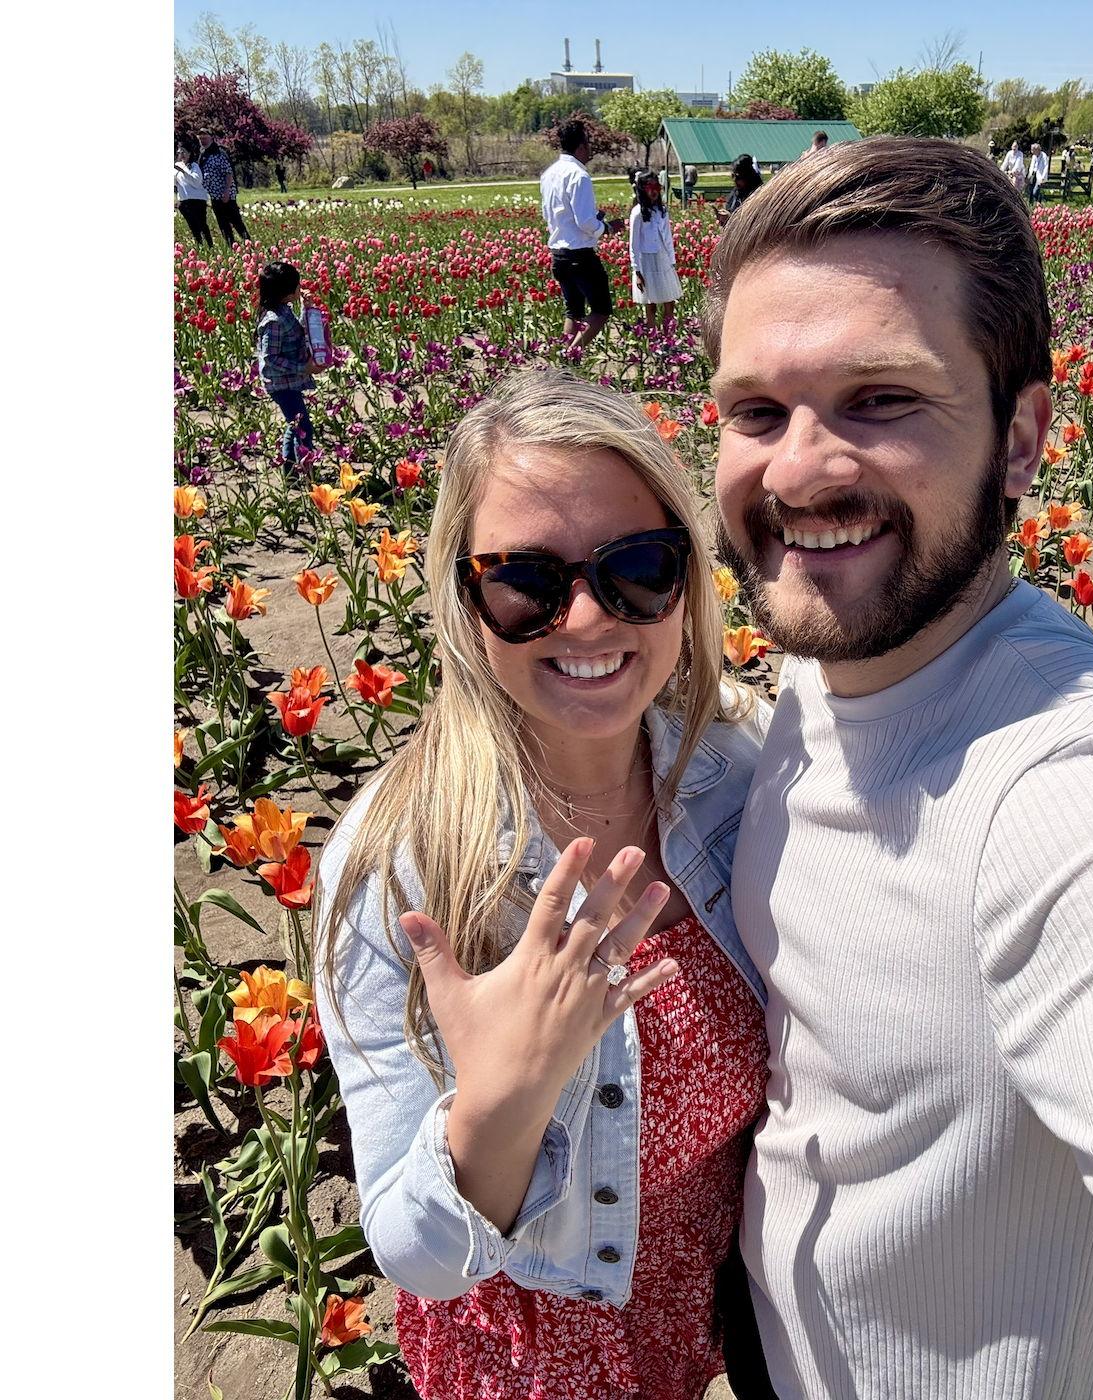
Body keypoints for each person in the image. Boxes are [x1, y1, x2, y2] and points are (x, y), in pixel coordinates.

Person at [704, 135, 1093, 1400]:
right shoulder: (833, 661)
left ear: (1023, 436)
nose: (798, 468)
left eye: (882, 398)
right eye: (756, 410)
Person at [314, 368, 777, 1400]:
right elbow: (412, 1247)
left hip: (711, 1295)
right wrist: (503, 1100)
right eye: (525, 579)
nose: (583, 618)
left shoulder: (737, 767)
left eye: (639, 567)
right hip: (532, 1357)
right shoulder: (402, 864)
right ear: (461, 596)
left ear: (689, 579)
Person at [540, 119, 627, 354]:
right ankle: (571, 355)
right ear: (580, 147)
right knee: (601, 310)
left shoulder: (549, 174)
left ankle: (563, 359)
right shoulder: (579, 175)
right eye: (588, 144)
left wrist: (594, 220)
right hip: (580, 254)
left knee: (574, 311)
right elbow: (585, 222)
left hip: (558, 254)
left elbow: (551, 214)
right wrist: (607, 227)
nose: (590, 150)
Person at [254, 261, 324, 469]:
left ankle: (290, 469)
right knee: (303, 427)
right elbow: (270, 358)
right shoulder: (273, 321)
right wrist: (304, 368)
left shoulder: (284, 310)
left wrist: (306, 309)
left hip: (288, 381)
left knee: (294, 425)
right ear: (287, 292)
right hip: (281, 384)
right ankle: (304, 469)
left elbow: (296, 331)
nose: (300, 288)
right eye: (297, 285)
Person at [629, 171, 682, 330]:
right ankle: (653, 336)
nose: (653, 191)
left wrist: (672, 261)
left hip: (663, 258)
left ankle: (669, 335)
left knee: (669, 298)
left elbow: (667, 237)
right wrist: (636, 270)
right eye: (649, 187)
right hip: (646, 260)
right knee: (650, 302)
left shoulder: (662, 211)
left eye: (656, 186)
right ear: (642, 189)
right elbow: (634, 243)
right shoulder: (638, 213)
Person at [196, 129, 250, 245]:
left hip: (226, 194)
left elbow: (228, 173)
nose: (203, 141)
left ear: (211, 138)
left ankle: (248, 243)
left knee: (236, 221)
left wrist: (226, 191)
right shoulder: (203, 154)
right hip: (214, 196)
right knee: (223, 224)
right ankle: (231, 246)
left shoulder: (219, 153)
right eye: (200, 139)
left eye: (205, 138)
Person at [174, 142, 212, 248]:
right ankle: (199, 245)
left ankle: (210, 245)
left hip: (197, 200)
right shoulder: (176, 166)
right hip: (184, 201)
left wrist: (184, 172)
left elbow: (196, 182)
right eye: (180, 152)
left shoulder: (194, 166)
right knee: (192, 226)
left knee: (202, 224)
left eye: (184, 152)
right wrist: (177, 171)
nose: (182, 154)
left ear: (189, 154)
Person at [717, 155, 763, 226]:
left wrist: (730, 218)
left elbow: (755, 222)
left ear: (748, 177)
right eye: (733, 176)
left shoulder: (758, 195)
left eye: (738, 177)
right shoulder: (735, 193)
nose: (734, 180)